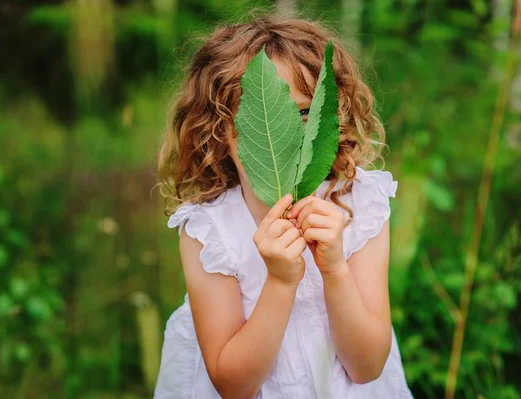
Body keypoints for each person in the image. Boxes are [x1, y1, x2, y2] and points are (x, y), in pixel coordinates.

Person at [155, 15, 413, 399]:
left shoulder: (358, 205)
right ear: (220, 130)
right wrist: (279, 281)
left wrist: (335, 269)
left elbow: (368, 367)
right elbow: (233, 385)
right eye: (262, 120)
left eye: (306, 113)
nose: (286, 137)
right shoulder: (210, 233)